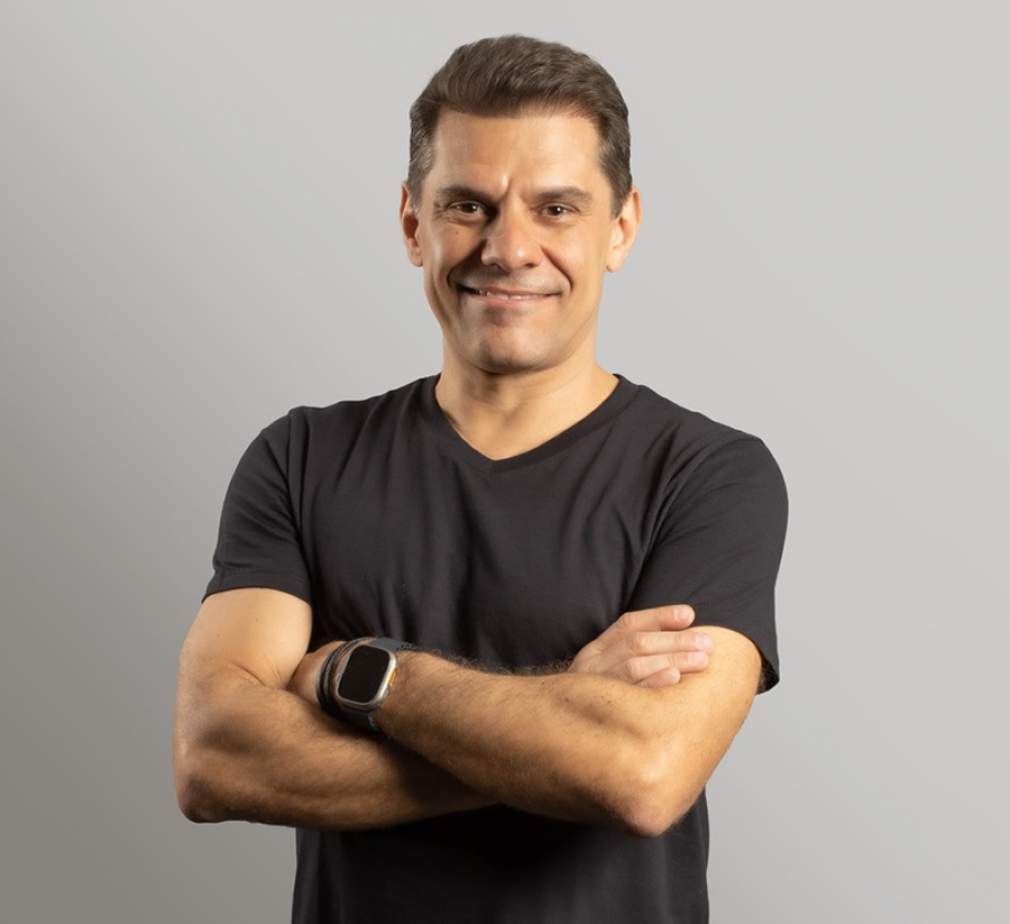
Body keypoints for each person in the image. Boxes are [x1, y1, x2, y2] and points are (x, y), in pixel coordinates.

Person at [173, 33, 789, 924]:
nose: (508, 249)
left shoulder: (708, 475)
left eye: (556, 208)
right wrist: (564, 723)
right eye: (468, 204)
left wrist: (362, 673)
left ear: (620, 227)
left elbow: (644, 776)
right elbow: (213, 757)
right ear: (412, 223)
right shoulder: (301, 458)